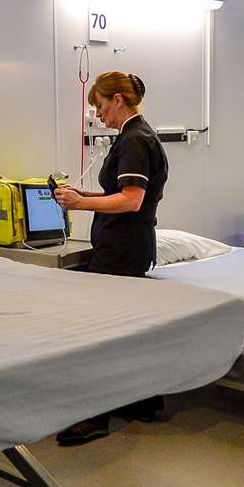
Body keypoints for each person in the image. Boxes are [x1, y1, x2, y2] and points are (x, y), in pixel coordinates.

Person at [51, 70, 169, 445]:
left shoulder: (135, 139)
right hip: (129, 245)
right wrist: (82, 193)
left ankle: (94, 417)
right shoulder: (139, 136)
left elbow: (131, 200)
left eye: (100, 106)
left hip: (121, 248)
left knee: (102, 331)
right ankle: (143, 400)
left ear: (117, 99)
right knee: (127, 328)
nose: (99, 115)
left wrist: (81, 203)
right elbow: (121, 191)